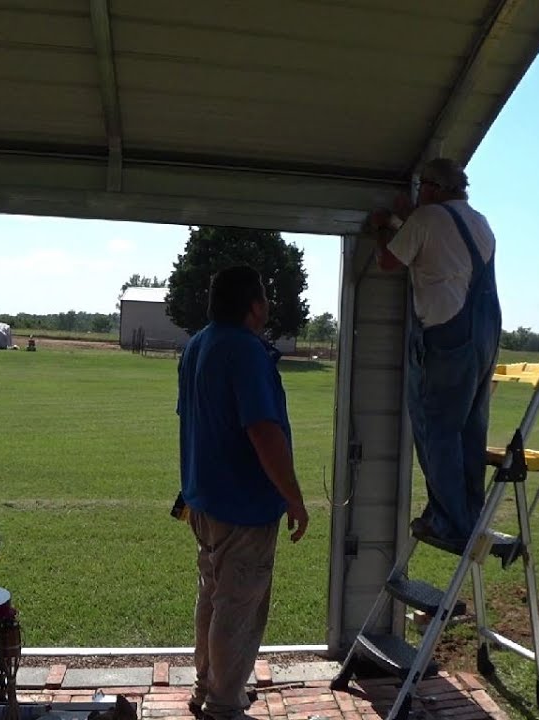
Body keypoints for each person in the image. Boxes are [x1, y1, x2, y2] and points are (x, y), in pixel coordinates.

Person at [175, 265, 309, 720]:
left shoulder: (197, 345)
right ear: (254, 305)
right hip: (243, 507)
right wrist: (293, 497)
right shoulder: (247, 351)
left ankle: (207, 688)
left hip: (204, 501)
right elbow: (263, 432)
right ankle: (223, 705)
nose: (268, 305)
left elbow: (193, 420)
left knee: (213, 598)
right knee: (238, 609)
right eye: (265, 297)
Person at [367, 157, 502, 548]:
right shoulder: (479, 222)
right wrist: (409, 218)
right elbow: (440, 246)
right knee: (470, 430)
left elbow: (389, 260)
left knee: (437, 429)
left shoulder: (427, 219)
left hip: (447, 335)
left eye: (423, 186)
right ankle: (469, 515)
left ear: (433, 188)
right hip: (484, 334)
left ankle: (448, 523)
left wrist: (383, 227)